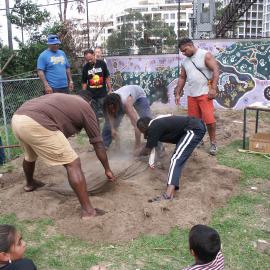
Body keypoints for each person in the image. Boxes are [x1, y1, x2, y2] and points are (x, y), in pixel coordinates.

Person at [11, 93, 116, 219]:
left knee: (30, 155)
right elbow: (98, 144)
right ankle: (88, 211)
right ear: (90, 103)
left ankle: (30, 183)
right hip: (36, 122)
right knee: (73, 163)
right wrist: (107, 169)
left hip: (17, 119)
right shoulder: (85, 108)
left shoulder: (65, 99)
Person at [137, 115, 206, 201]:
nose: (144, 134)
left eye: (142, 132)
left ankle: (168, 195)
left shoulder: (153, 127)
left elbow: (148, 149)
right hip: (191, 129)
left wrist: (137, 155)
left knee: (175, 159)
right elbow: (151, 145)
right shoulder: (156, 124)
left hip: (192, 129)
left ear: (143, 127)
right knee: (176, 158)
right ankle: (171, 192)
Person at [175, 38, 219, 156]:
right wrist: (178, 93)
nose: (183, 53)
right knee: (194, 122)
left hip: (205, 94)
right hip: (192, 95)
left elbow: (215, 69)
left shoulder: (205, 55)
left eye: (185, 50)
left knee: (209, 121)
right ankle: (199, 141)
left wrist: (213, 88)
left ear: (190, 45)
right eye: (182, 52)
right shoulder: (185, 62)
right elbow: (182, 77)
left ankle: (213, 143)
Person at [102, 85, 152, 152]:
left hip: (139, 96)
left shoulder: (126, 103)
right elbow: (110, 115)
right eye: (111, 109)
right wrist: (112, 129)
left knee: (146, 121)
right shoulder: (108, 102)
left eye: (114, 108)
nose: (113, 111)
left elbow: (137, 126)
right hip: (123, 98)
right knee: (107, 126)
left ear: (118, 105)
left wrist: (137, 145)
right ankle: (104, 145)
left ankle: (156, 146)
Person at [82, 49, 112, 118]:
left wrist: (110, 89)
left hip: (102, 94)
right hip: (91, 95)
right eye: (87, 60)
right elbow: (84, 82)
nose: (89, 61)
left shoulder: (102, 64)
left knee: (105, 113)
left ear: (94, 55)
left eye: (90, 59)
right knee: (94, 115)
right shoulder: (85, 68)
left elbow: (107, 77)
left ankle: (107, 126)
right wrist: (84, 95)